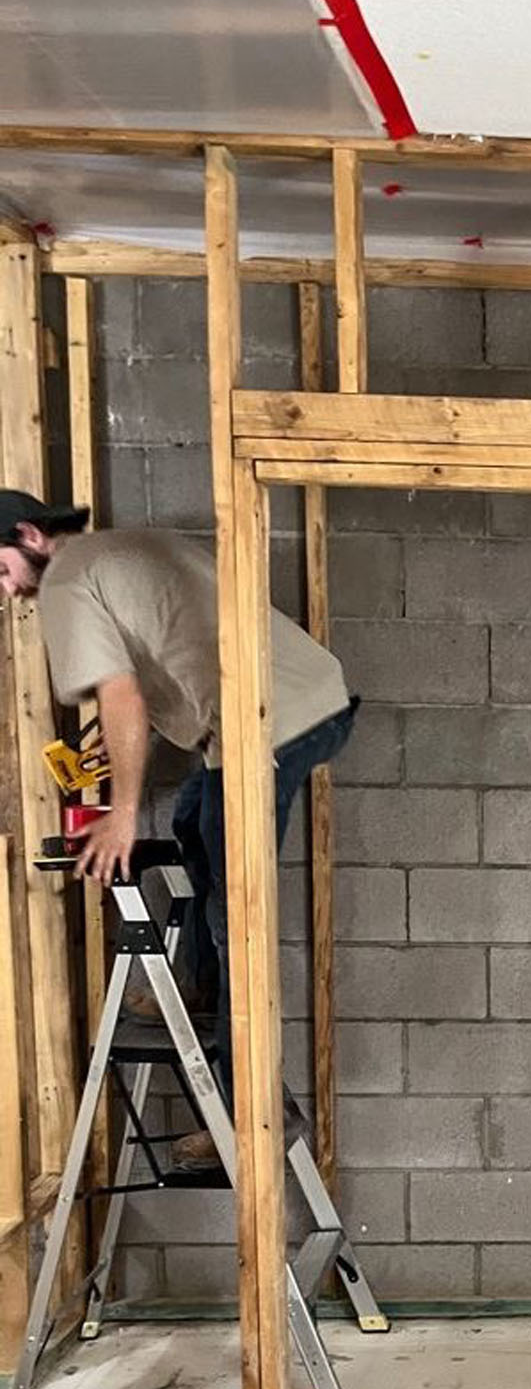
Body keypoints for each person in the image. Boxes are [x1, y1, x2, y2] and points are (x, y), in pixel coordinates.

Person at [0, 490, 356, 1171]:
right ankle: (191, 983)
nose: (11, 593)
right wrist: (114, 738)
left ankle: (255, 1118)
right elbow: (159, 660)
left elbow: (123, 693)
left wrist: (123, 816)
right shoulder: (113, 552)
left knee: (234, 919)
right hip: (294, 706)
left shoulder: (68, 581)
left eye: (1, 572)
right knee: (196, 819)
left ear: (29, 537)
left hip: (270, 724)